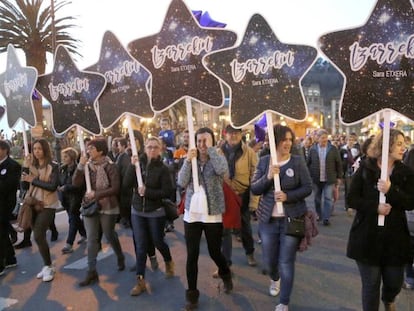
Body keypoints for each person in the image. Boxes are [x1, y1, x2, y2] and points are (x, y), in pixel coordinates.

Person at [347, 129, 414, 311]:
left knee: (394, 281)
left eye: (403, 144)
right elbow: (351, 199)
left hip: (395, 239)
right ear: (386, 145)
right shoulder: (366, 167)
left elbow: (410, 202)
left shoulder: (406, 172)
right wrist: (375, 207)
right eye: (399, 144)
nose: (403, 148)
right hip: (367, 236)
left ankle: (389, 299)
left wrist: (391, 190)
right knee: (371, 286)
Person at [251, 125, 312, 311]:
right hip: (268, 221)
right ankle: (274, 278)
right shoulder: (264, 162)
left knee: (286, 261)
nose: (287, 143)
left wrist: (288, 196)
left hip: (291, 219)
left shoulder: (297, 161)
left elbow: (307, 187)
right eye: (283, 139)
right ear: (275, 141)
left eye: (289, 139)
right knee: (270, 261)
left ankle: (284, 302)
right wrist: (268, 176)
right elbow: (254, 188)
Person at [177, 127, 233, 310]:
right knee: (191, 254)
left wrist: (210, 151)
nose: (202, 144)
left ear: (212, 141)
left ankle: (225, 273)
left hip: (211, 211)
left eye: (205, 140)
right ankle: (192, 295)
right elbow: (181, 182)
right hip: (192, 212)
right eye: (199, 141)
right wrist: (187, 161)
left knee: (214, 251)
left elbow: (222, 170)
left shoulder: (217, 156)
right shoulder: (190, 158)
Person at [124, 136, 175, 296]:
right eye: (149, 147)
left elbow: (167, 192)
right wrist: (132, 167)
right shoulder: (137, 164)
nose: (152, 150)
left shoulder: (163, 168)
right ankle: (140, 281)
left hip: (155, 211)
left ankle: (168, 261)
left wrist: (149, 192)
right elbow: (126, 184)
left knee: (158, 241)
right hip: (137, 210)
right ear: (144, 148)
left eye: (155, 147)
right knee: (140, 246)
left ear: (160, 149)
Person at [73, 138, 125, 286]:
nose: (88, 151)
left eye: (91, 148)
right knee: (91, 239)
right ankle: (91, 271)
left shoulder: (110, 166)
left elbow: (115, 188)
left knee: (109, 234)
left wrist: (96, 194)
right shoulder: (87, 166)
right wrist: (80, 166)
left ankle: (120, 256)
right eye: (88, 148)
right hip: (90, 206)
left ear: (101, 151)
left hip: (108, 205)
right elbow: (75, 183)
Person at [21, 138, 60, 282]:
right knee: (38, 236)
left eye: (39, 148)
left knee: (38, 234)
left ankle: (49, 266)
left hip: (48, 204)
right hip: (33, 204)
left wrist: (33, 180)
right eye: (34, 149)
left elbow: (53, 186)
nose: (37, 151)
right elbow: (24, 186)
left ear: (45, 150)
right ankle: (46, 265)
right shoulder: (32, 166)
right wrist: (25, 167)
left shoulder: (53, 166)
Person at [220, 124, 258, 268]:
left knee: (245, 227)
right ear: (225, 135)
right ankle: (225, 262)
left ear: (241, 135)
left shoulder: (249, 153)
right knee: (225, 230)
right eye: (230, 133)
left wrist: (254, 201)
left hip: (243, 195)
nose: (233, 135)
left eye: (236, 133)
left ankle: (250, 253)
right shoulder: (218, 152)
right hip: (225, 196)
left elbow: (255, 177)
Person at [306, 129, 343, 226]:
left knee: (327, 198)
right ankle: (319, 214)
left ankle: (326, 218)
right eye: (322, 138)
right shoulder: (313, 149)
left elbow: (338, 163)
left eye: (326, 138)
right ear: (318, 138)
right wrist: (308, 176)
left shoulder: (333, 149)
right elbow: (308, 163)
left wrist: (339, 177)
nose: (324, 140)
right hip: (316, 178)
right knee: (317, 199)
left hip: (329, 179)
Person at [59, 147, 86, 254]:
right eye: (63, 156)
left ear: (71, 157)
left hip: (75, 198)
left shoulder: (77, 169)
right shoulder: (62, 169)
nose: (64, 158)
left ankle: (69, 243)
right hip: (65, 198)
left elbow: (78, 185)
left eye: (66, 156)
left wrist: (66, 187)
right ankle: (84, 234)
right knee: (75, 219)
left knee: (72, 219)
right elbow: (60, 181)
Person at [0, 140, 21, 276]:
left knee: (1, 232)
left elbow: (10, 185)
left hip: (6, 203)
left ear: (4, 150)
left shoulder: (13, 165)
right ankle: (10, 258)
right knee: (2, 231)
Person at [340, 134, 359, 216]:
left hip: (356, 170)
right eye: (349, 139)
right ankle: (347, 205)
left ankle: (354, 204)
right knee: (348, 188)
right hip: (347, 171)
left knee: (355, 188)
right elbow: (340, 161)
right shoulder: (343, 149)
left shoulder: (357, 149)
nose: (350, 141)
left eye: (352, 139)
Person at [116, 137, 132, 228]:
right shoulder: (122, 155)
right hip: (123, 184)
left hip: (124, 185)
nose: (117, 147)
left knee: (125, 203)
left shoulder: (124, 156)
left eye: (118, 145)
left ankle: (127, 220)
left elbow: (124, 171)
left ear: (123, 146)